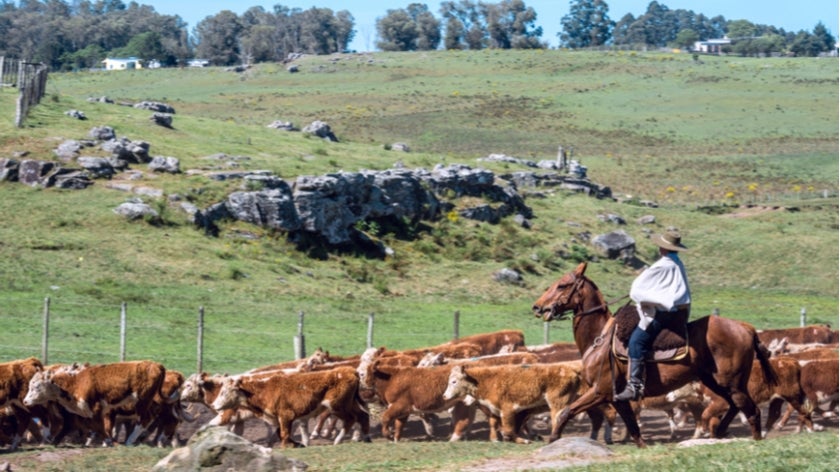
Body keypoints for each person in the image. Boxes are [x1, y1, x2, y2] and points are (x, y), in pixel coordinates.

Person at [614, 229, 691, 401]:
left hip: (662, 315)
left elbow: (637, 290)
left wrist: (644, 298)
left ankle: (634, 385)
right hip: (675, 314)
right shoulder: (677, 263)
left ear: (662, 248)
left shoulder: (662, 265)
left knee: (636, 341)